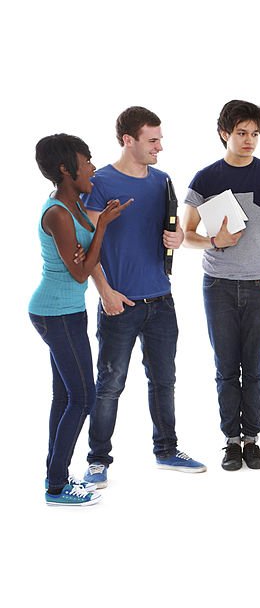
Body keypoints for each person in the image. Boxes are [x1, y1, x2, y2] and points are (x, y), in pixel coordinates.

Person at [80, 106, 204, 489]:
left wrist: (178, 238)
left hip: (161, 301)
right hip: (120, 303)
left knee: (164, 379)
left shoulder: (162, 180)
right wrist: (105, 291)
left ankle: (167, 449)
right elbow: (86, 248)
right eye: (153, 140)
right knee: (110, 384)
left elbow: (175, 230)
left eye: (160, 139)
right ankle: (98, 460)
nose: (160, 147)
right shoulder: (99, 183)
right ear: (128, 140)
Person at [182, 100, 260, 470]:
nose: (249, 140)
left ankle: (253, 438)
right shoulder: (205, 179)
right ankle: (231, 440)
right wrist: (216, 241)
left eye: (255, 134)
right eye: (241, 133)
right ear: (224, 134)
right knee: (226, 365)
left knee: (255, 365)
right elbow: (186, 235)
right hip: (218, 285)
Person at [30, 134, 130, 505]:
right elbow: (79, 273)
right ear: (64, 169)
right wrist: (101, 226)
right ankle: (57, 485)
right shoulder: (57, 212)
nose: (91, 167)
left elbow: (82, 262)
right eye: (85, 161)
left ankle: (55, 478)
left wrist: (93, 232)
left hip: (67, 311)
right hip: (55, 312)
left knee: (66, 396)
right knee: (84, 397)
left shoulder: (73, 206)